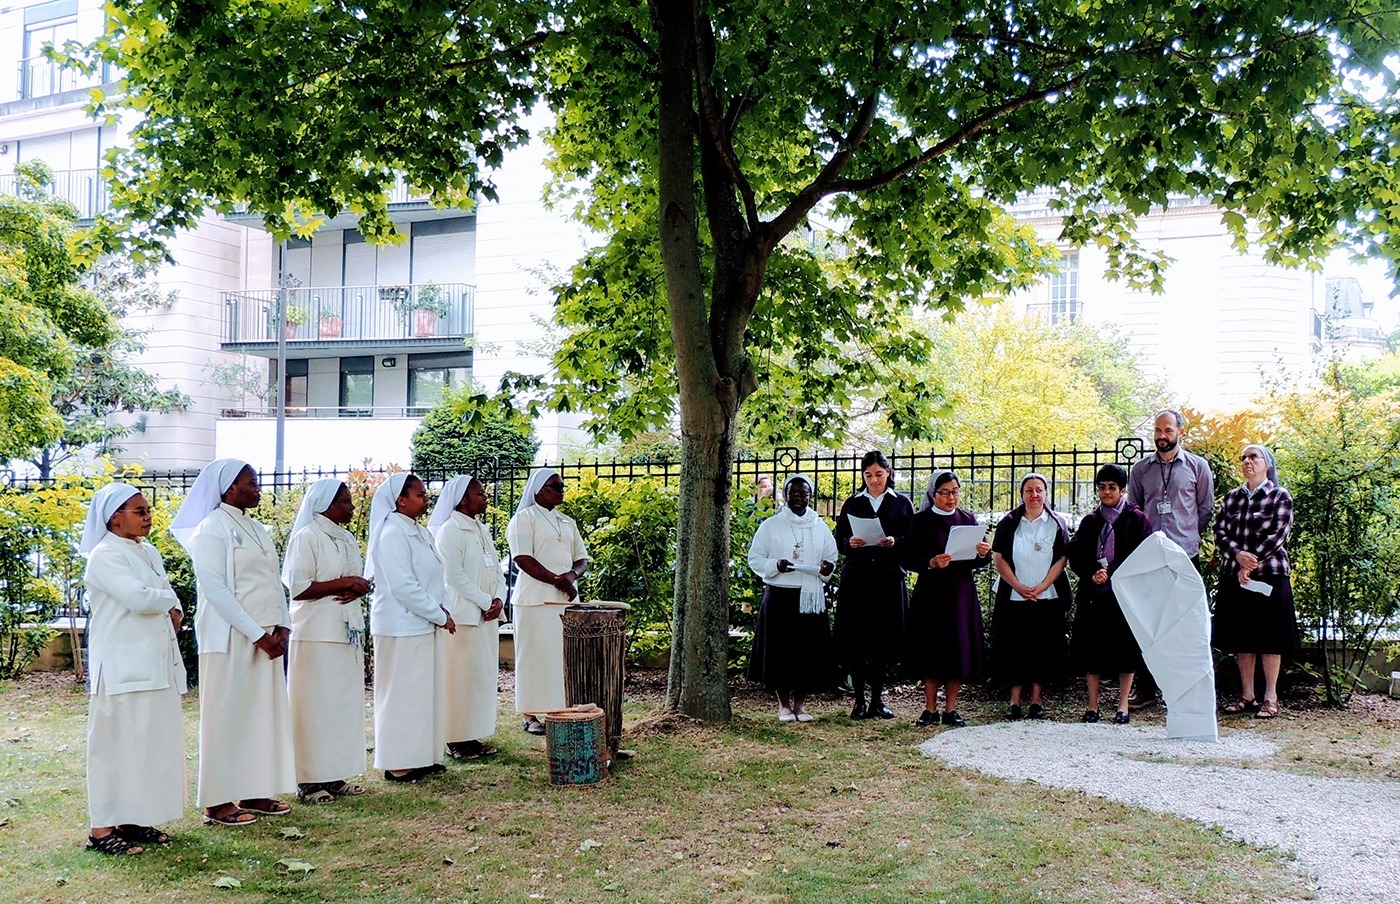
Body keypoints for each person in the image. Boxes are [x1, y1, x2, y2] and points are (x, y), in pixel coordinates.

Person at [170, 459, 295, 826]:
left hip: (266, 636)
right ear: (228, 488)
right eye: (251, 482)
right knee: (226, 716)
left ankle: (255, 789)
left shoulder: (257, 527)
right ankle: (217, 801)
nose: (258, 488)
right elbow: (216, 590)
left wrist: (283, 626)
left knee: (259, 715)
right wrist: (257, 634)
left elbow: (274, 581)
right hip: (230, 637)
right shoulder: (211, 528)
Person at [81, 483, 186, 855]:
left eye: (147, 510)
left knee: (147, 743)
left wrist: (171, 605)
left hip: (154, 660)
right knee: (113, 745)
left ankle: (133, 817)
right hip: (122, 664)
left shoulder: (149, 551)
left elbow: (163, 597)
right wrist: (170, 601)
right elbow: (139, 598)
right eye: (139, 511)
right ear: (114, 517)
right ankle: (101, 829)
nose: (147, 516)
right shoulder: (104, 555)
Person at [281, 479, 372, 803]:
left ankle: (333, 774)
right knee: (314, 706)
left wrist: (359, 586)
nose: (351, 507)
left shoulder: (346, 538)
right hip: (316, 632)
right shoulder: (307, 537)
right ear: (325, 504)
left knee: (339, 706)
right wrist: (344, 582)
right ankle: (308, 780)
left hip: (344, 630)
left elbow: (353, 578)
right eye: (345, 502)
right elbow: (298, 587)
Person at [367, 473, 456, 781]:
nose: (426, 498)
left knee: (423, 693)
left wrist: (440, 607)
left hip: (424, 621)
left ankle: (421, 755)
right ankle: (397, 761)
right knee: (400, 694)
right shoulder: (392, 533)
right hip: (400, 624)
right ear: (400, 500)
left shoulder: (417, 531)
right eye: (419, 494)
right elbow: (403, 586)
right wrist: (439, 614)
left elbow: (434, 575)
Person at [1126, 409, 1215, 706]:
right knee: (1148, 622)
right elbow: (1135, 511)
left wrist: (1187, 535)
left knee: (1185, 623)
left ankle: (1182, 690)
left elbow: (1205, 510)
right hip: (1151, 557)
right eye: (1157, 430)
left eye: (1167, 430)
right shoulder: (1140, 470)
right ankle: (1147, 689)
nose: (1162, 436)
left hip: (1185, 555)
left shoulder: (1198, 467)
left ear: (1180, 431)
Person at [1212, 445, 1298, 719]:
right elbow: (1220, 531)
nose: (1247, 461)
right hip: (1236, 575)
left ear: (1267, 465)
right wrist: (1238, 556)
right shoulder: (1232, 498)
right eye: (1243, 458)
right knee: (1242, 638)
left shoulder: (1279, 496)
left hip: (1270, 574)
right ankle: (1247, 694)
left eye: (1253, 457)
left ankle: (1270, 696)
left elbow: (1279, 534)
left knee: (1270, 638)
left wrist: (1252, 560)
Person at [903, 471, 991, 728]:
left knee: (958, 650)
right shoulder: (920, 521)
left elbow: (980, 560)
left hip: (960, 594)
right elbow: (908, 558)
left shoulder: (967, 519)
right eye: (944, 492)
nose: (951, 497)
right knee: (931, 649)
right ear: (933, 494)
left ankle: (951, 709)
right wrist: (930, 562)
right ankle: (929, 708)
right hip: (931, 594)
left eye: (955, 492)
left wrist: (983, 552)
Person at [747, 475, 838, 722]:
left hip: (810, 597)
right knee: (781, 652)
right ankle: (784, 706)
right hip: (780, 595)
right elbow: (754, 558)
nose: (798, 498)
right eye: (793, 493)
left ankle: (800, 705)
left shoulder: (819, 526)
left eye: (803, 494)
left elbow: (831, 555)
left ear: (810, 496)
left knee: (807, 652)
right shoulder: (771, 526)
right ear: (786, 496)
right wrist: (775, 564)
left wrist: (827, 567)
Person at [1068, 464, 1154, 724]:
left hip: (1125, 594)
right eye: (1102, 487)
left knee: (1125, 649)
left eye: (1112, 487)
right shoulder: (1091, 521)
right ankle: (1093, 705)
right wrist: (1092, 571)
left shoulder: (1136, 519)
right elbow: (1076, 553)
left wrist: (1114, 571)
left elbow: (1145, 554)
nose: (1107, 492)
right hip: (1094, 594)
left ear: (1123, 489)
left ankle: (1123, 704)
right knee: (1092, 648)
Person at [507, 469, 590, 734]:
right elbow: (522, 559)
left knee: (561, 657)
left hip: (565, 600)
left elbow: (582, 558)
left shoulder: (567, 521)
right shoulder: (524, 519)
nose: (561, 491)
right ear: (539, 490)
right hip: (534, 600)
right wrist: (558, 580)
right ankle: (529, 714)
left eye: (562, 487)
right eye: (555, 486)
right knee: (532, 656)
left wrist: (572, 575)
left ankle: (559, 708)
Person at [833, 451, 914, 719]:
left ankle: (878, 700)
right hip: (857, 579)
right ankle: (858, 700)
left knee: (882, 639)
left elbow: (913, 541)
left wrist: (895, 542)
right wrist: (849, 543)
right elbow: (839, 538)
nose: (874, 480)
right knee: (857, 638)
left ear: (888, 473)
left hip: (887, 579)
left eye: (879, 474)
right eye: (868, 475)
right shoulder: (853, 503)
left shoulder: (901, 503)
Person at [431, 475, 505, 759]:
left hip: (487, 615)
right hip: (465, 616)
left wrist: (500, 597)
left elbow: (496, 568)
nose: (485, 497)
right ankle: (456, 739)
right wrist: (487, 600)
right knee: (460, 678)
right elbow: (453, 575)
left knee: (479, 677)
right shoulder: (450, 531)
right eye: (480, 493)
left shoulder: (480, 529)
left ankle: (473, 735)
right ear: (463, 499)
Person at [990, 473, 1073, 720]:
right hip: (1014, 597)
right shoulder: (1009, 523)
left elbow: (1062, 559)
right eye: (1029, 490)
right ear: (1022, 494)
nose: (1034, 495)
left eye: (1039, 490)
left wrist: (1041, 586)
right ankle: (1014, 701)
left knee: (1042, 648)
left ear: (1046, 494)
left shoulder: (1056, 523)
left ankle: (1036, 700)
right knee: (1013, 648)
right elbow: (999, 557)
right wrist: (1017, 586)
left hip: (1046, 596)